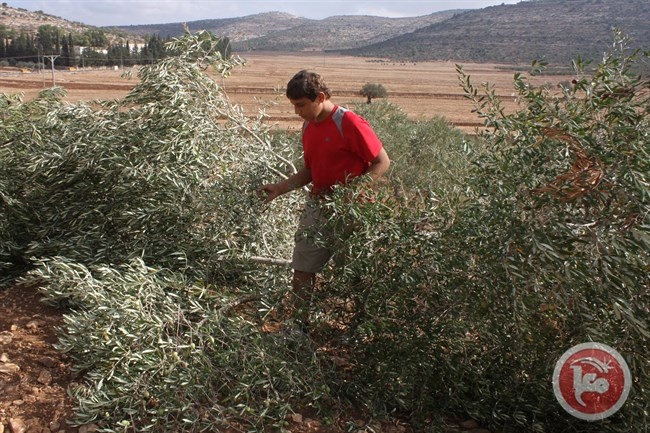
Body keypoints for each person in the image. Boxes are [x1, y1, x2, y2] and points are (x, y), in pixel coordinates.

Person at [258, 70, 390, 323]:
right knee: (302, 268)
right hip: (318, 204)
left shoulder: (349, 123)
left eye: (301, 105)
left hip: (354, 210)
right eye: (295, 106)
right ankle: (299, 327)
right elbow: (311, 170)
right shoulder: (309, 125)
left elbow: (381, 162)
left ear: (320, 97)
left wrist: (353, 193)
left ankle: (360, 328)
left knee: (355, 272)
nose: (298, 112)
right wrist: (281, 187)